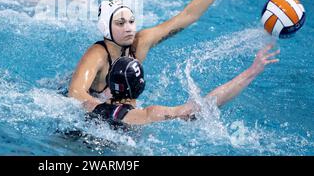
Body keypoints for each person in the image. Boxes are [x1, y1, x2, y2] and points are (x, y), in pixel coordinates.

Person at [68, 0, 253, 107]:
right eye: (120, 23)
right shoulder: (98, 54)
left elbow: (187, 16)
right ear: (106, 29)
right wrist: (112, 111)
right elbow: (75, 93)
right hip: (89, 114)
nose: (129, 28)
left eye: (131, 21)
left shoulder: (140, 42)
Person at [87, 45, 279, 126]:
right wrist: (252, 71)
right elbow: (204, 106)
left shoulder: (90, 104)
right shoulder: (148, 114)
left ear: (109, 84)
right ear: (141, 86)